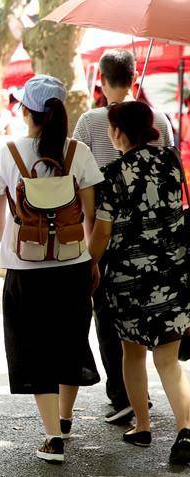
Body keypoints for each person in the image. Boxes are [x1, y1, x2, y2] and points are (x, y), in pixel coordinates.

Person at [0, 75, 102, 464]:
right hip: (73, 266)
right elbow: (91, 213)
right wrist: (88, 256)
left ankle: (53, 437)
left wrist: (14, 244)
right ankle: (65, 418)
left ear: (25, 111)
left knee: (35, 349)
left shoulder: (9, 152)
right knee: (69, 340)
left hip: (26, 270)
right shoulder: (78, 152)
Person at [73, 48, 175, 425]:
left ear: (101, 79)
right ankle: (144, 394)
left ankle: (122, 395)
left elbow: (76, 176)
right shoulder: (159, 120)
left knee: (108, 317)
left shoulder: (89, 120)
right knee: (150, 318)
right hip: (155, 239)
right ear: (134, 77)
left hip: (106, 231)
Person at [88, 101, 190, 463]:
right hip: (173, 272)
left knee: (132, 352)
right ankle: (185, 430)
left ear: (118, 132)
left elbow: (102, 230)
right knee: (169, 359)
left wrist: (90, 264)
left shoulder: (111, 172)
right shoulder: (172, 162)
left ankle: (142, 426)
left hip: (128, 278)